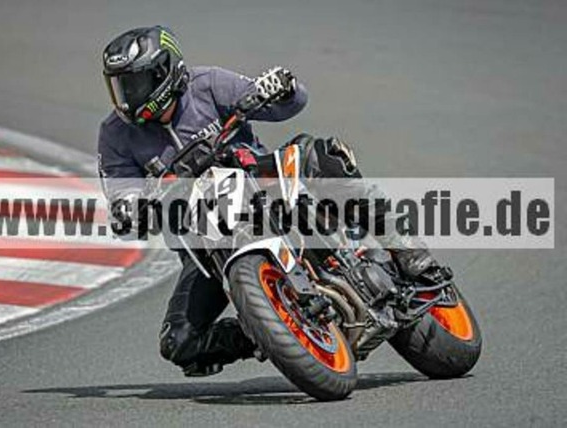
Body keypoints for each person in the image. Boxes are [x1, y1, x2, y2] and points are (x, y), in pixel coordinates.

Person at [97, 26, 437, 376]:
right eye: (119, 86)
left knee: (317, 154)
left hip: (260, 184)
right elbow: (120, 192)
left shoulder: (208, 84)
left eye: (133, 84)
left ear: (163, 71)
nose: (126, 96)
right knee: (179, 341)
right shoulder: (114, 135)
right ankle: (266, 331)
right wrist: (128, 209)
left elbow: (288, 103)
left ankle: (403, 246)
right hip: (206, 241)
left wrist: (281, 87)